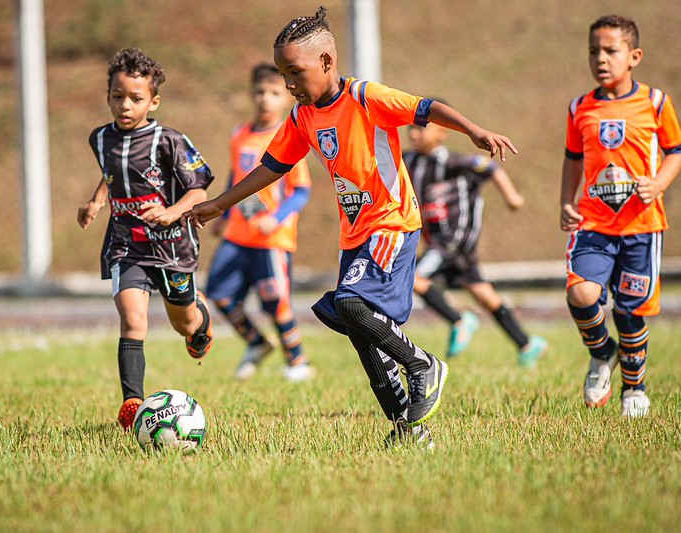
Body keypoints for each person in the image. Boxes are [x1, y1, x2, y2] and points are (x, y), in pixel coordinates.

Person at [185, 6, 517, 446]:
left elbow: (425, 108)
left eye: (295, 73)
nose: (288, 84)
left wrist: (474, 130)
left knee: (352, 306)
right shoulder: (303, 117)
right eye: (284, 74)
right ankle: (409, 429)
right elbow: (272, 166)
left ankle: (422, 365)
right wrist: (220, 205)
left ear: (326, 62)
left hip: (391, 223)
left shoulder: (365, 97)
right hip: (355, 235)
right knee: (361, 331)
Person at [77, 48, 215, 430]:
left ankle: (201, 321)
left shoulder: (169, 140)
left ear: (153, 101)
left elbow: (199, 190)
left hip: (172, 245)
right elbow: (113, 173)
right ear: (107, 96)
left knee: (183, 325)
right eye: (117, 96)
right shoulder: (100, 138)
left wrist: (172, 212)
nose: (125, 105)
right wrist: (96, 201)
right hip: (126, 244)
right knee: (132, 320)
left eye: (135, 99)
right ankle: (132, 404)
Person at [560, 15, 681, 417]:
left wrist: (659, 183)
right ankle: (601, 352)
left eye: (611, 50)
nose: (601, 58)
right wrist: (567, 200)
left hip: (642, 226)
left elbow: (676, 151)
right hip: (594, 221)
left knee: (630, 313)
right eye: (594, 50)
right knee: (581, 292)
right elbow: (573, 158)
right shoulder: (581, 107)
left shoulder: (656, 102)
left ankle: (635, 389)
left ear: (634, 56)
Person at [404, 119, 548, 366]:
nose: (414, 133)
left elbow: (491, 169)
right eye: (411, 129)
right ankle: (526, 343)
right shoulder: (409, 161)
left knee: (411, 277)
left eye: (421, 128)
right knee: (485, 295)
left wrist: (512, 197)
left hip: (454, 240)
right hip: (440, 242)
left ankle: (459, 319)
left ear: (442, 132)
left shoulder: (454, 162)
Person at [207, 63, 314, 382]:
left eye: (274, 93)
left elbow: (301, 191)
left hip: (271, 240)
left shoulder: (289, 136)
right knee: (218, 292)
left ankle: (297, 361)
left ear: (286, 97)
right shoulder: (239, 135)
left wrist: (276, 219)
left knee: (275, 302)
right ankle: (256, 343)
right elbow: (235, 178)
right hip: (238, 235)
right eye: (260, 92)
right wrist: (223, 213)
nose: (266, 99)